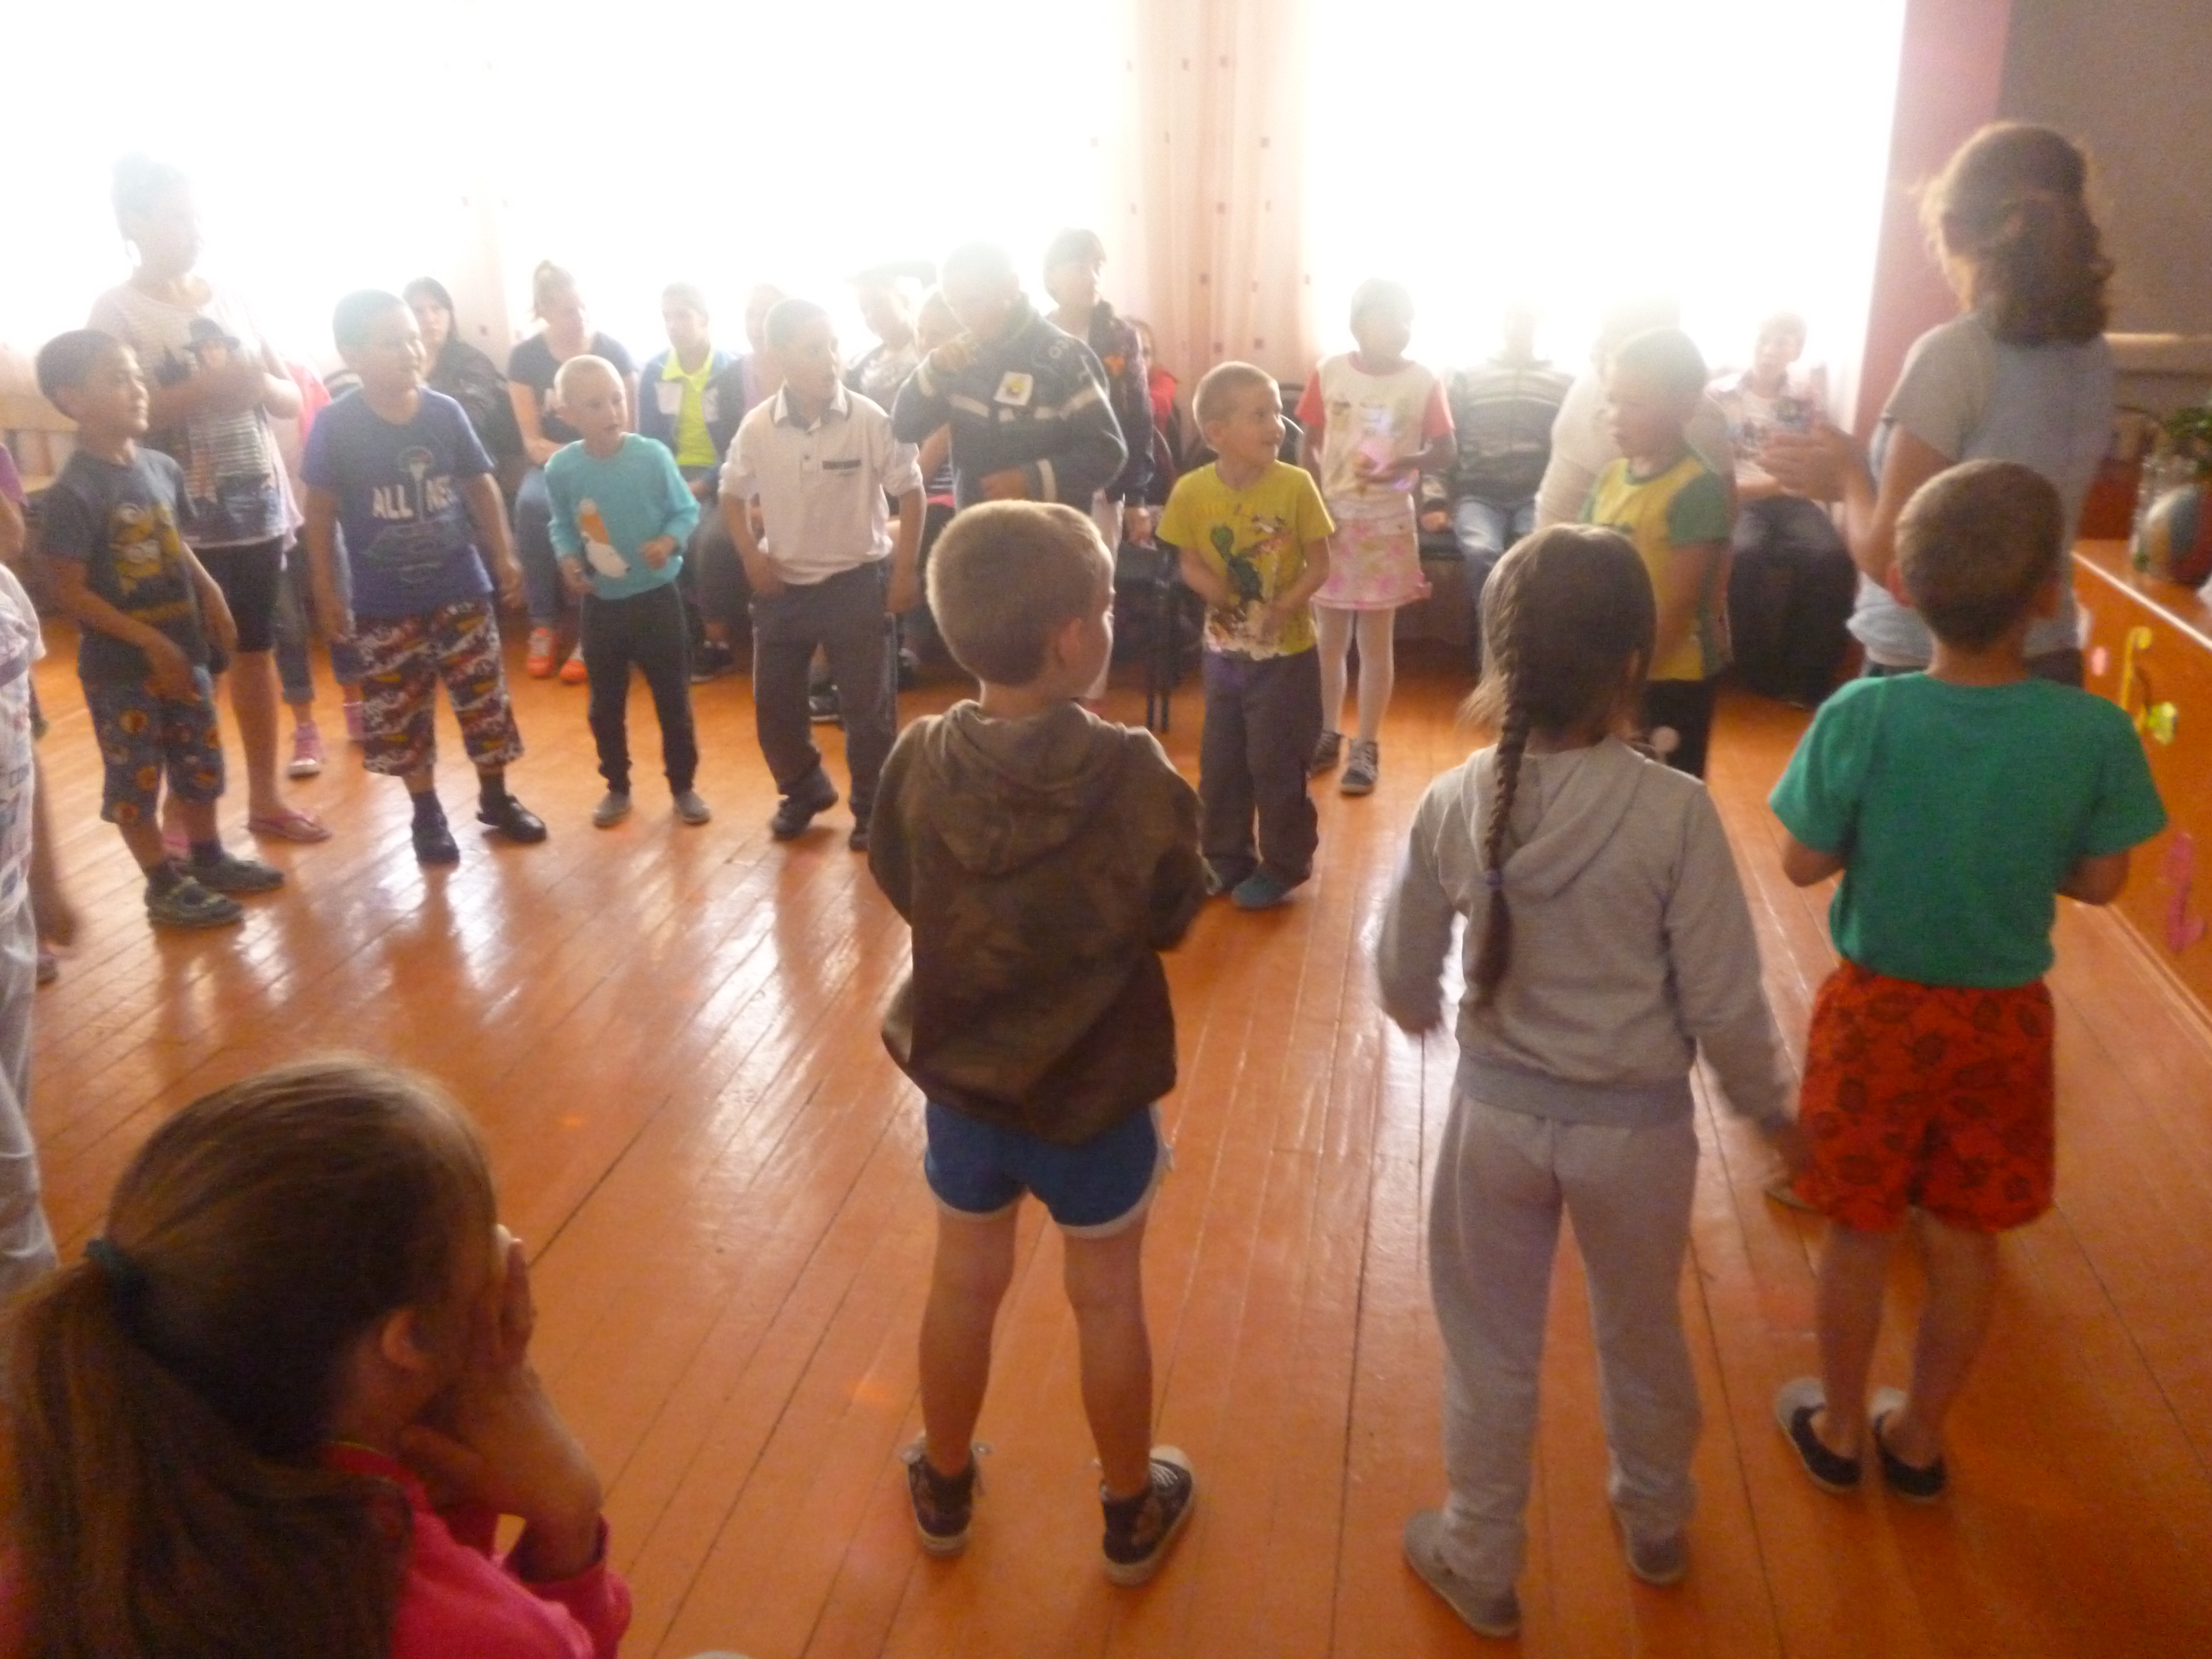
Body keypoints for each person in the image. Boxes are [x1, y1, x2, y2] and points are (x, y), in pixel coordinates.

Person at [1376, 525, 1801, 1639]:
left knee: (1490, 1347)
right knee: (1641, 1329)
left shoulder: (1456, 798)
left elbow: (1403, 969)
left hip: (1496, 1123)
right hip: (1638, 1137)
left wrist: (1417, 1002)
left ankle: (1480, 1554)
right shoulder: (1675, 812)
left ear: (1500, 658)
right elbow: (1725, 1002)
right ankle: (1656, 1520)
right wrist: (1774, 1111)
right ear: (1632, 664)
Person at [1769, 460, 2164, 1504]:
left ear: (1902, 583)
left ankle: (1839, 1427)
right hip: (2004, 1025)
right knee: (1965, 1232)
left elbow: (1802, 862)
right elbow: (2102, 881)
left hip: (1875, 1015)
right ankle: (1920, 1438)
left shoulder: (1863, 714)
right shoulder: (2092, 732)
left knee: (1862, 1227)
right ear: (2048, 593)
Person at [0, 1058, 634, 1658]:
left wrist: (446, 1506)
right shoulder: (486, 1634)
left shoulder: (63, 1556)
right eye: (484, 1233)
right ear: (410, 1340)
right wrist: (568, 1523)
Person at [867, 500, 1205, 1585]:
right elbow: (1173, 910)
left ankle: (945, 1484)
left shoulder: (920, 756)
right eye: (1104, 607)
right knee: (1105, 1299)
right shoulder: (1135, 772)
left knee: (963, 1284)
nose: (1110, 621)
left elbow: (898, 875)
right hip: (1094, 1098)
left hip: (966, 1089)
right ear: (1070, 638)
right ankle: (1128, 1512)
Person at [1762, 122, 2116, 686]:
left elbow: (1895, 561)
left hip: (1933, 667)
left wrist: (1851, 476)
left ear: (1951, 231)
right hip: (2048, 655)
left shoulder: (1955, 355)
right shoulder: (2092, 356)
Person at [89, 155, 328, 846]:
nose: (194, 230)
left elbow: (287, 395)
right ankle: (187, 817)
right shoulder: (117, 310)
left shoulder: (231, 295)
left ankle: (266, 800)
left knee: (255, 651)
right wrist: (201, 391)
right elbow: (115, 416)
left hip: (255, 510)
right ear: (134, 221)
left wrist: (255, 386)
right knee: (189, 667)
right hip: (174, 526)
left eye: (196, 215)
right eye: (176, 216)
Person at [33, 330, 284, 930]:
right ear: (72, 400)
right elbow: (69, 591)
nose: (138, 388)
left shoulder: (161, 468)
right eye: (117, 379)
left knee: (199, 762)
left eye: (137, 376)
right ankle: (161, 884)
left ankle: (207, 857)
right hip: (122, 669)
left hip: (185, 647)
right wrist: (147, 641)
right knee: (137, 777)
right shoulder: (73, 492)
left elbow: (174, 542)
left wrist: (210, 590)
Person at [303, 291, 547, 866]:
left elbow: (480, 487)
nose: (410, 351)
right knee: (402, 711)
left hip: (460, 588)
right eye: (392, 342)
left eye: (413, 338)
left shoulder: (445, 412)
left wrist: (505, 555)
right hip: (382, 602)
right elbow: (319, 513)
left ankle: (495, 796)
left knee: (484, 699)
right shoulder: (337, 425)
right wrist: (327, 590)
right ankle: (427, 811)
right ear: (351, 354)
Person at [722, 300, 922, 851]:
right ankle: (804, 789)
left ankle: (873, 808)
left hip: (855, 583)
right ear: (780, 357)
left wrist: (904, 572)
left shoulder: (869, 420)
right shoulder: (758, 426)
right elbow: (731, 494)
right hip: (782, 588)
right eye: (814, 349)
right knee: (774, 708)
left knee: (867, 711)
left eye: (833, 345)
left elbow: (912, 492)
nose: (831, 359)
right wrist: (751, 557)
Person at [1160, 361, 1333, 910]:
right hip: (1223, 656)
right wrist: (1213, 589)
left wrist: (1283, 606)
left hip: (1286, 658)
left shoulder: (1296, 485)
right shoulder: (1191, 491)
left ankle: (1284, 865)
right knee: (1222, 763)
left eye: (1277, 413)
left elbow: (1320, 565)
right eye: (1260, 415)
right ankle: (1225, 857)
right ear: (1217, 433)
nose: (1277, 425)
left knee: (1275, 763)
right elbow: (1188, 561)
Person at [1296, 279, 1455, 797]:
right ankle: (1327, 732)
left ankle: (1366, 745)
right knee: (1329, 640)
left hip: (1388, 523)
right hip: (1334, 522)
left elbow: (1446, 452)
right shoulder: (1329, 372)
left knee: (1375, 642)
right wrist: (1314, 503)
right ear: (1360, 323)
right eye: (1391, 318)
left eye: (1408, 319)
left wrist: (1402, 462)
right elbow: (1308, 443)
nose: (1402, 328)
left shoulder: (1423, 380)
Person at [544, 356, 708, 829]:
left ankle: (683, 786)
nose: (611, 412)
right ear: (569, 414)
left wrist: (668, 541)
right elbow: (562, 525)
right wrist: (568, 560)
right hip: (602, 606)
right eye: (595, 405)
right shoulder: (562, 469)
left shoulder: (652, 456)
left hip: (658, 600)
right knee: (605, 706)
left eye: (617, 399)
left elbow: (686, 510)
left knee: (673, 701)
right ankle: (617, 786)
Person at [1580, 329, 1733, 779]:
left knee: (1664, 788)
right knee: (1609, 783)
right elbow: (1583, 566)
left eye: (1634, 404)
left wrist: (1631, 682)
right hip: (1613, 668)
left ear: (1685, 406)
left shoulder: (1697, 488)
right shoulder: (1610, 479)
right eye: (1612, 400)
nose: (1616, 417)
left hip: (1673, 675)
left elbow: (1680, 605)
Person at [890, 242, 1127, 515]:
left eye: (973, 302)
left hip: (1051, 530)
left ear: (1012, 287)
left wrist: (1029, 480)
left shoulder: (1065, 357)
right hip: (978, 527)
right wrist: (933, 370)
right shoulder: (959, 359)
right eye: (954, 305)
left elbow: (1107, 452)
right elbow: (904, 428)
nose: (964, 318)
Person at [1711, 313, 1855, 707]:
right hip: (1742, 497)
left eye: (1782, 342)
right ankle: (1759, 672)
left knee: (1830, 557)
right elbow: (1709, 458)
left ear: (1796, 351)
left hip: (1793, 497)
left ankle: (1808, 676)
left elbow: (1817, 454)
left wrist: (1788, 484)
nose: (1770, 350)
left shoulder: (1805, 397)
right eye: (1765, 339)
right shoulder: (1719, 394)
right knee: (1744, 555)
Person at [506, 263, 638, 685]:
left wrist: (593, 461)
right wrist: (574, 459)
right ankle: (543, 623)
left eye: (582, 307)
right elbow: (532, 441)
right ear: (544, 311)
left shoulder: (613, 352)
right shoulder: (525, 359)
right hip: (552, 463)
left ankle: (591, 627)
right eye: (567, 311)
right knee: (531, 505)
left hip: (608, 462)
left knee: (594, 512)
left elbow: (628, 431)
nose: (579, 317)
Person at [1532, 297, 1735, 534]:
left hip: (1604, 553)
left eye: (1615, 336)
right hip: (1547, 541)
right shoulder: (1596, 377)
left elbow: (1722, 517)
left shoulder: (1696, 418)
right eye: (1601, 333)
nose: (1596, 350)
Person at [1442, 305, 1573, 667]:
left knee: (1535, 556)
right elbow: (1443, 442)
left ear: (1540, 322)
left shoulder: (1565, 382)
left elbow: (1571, 446)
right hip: (1478, 494)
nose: (1519, 325)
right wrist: (1435, 503)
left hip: (1536, 494)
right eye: (1512, 317)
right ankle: (1494, 658)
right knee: (1482, 552)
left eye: (1527, 317)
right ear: (1502, 322)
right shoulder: (1468, 377)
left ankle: (1529, 655)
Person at [636, 282, 748, 683]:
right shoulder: (655, 372)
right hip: (671, 475)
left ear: (705, 318)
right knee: (643, 531)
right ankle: (673, 634)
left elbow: (737, 444)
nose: (674, 325)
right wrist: (666, 485)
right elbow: (649, 443)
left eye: (682, 315)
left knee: (706, 538)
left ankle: (717, 643)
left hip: (720, 475)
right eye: (667, 317)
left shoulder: (731, 371)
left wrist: (701, 485)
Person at [1042, 228, 1155, 549]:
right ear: (1051, 278)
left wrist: (1136, 496)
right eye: (1080, 268)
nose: (1093, 278)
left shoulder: (1120, 336)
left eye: (1098, 268)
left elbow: (1138, 418)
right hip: (1048, 481)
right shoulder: (1036, 338)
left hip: (1105, 482)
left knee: (1099, 571)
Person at [405, 276, 527, 497]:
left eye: (436, 309)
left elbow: (471, 418)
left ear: (450, 314)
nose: (429, 318)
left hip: (466, 457)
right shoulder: (401, 364)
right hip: (411, 453)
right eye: (418, 312)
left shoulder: (472, 362)